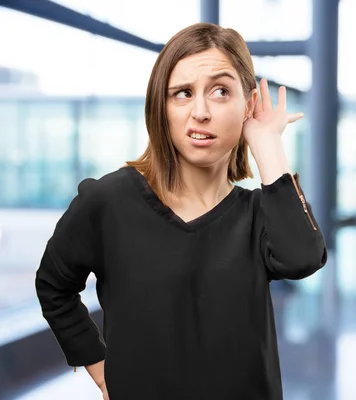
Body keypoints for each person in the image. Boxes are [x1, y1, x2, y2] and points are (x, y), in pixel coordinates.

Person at [35, 23, 327, 400]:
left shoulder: (258, 214)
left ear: (248, 104)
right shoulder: (109, 200)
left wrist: (266, 141)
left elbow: (303, 257)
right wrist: (100, 368)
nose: (200, 112)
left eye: (221, 91)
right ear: (161, 104)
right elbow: (53, 285)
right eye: (182, 93)